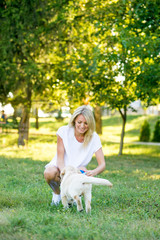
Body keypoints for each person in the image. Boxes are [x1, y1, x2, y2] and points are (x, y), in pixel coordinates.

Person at [44, 105, 106, 205]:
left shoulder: (94, 138)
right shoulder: (64, 131)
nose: (82, 126)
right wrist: (66, 173)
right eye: (79, 122)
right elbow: (60, 159)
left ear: (90, 124)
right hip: (61, 167)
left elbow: (102, 164)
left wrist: (93, 172)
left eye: (86, 123)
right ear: (74, 121)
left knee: (83, 169)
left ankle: (72, 197)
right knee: (49, 172)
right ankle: (57, 194)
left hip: (77, 170)